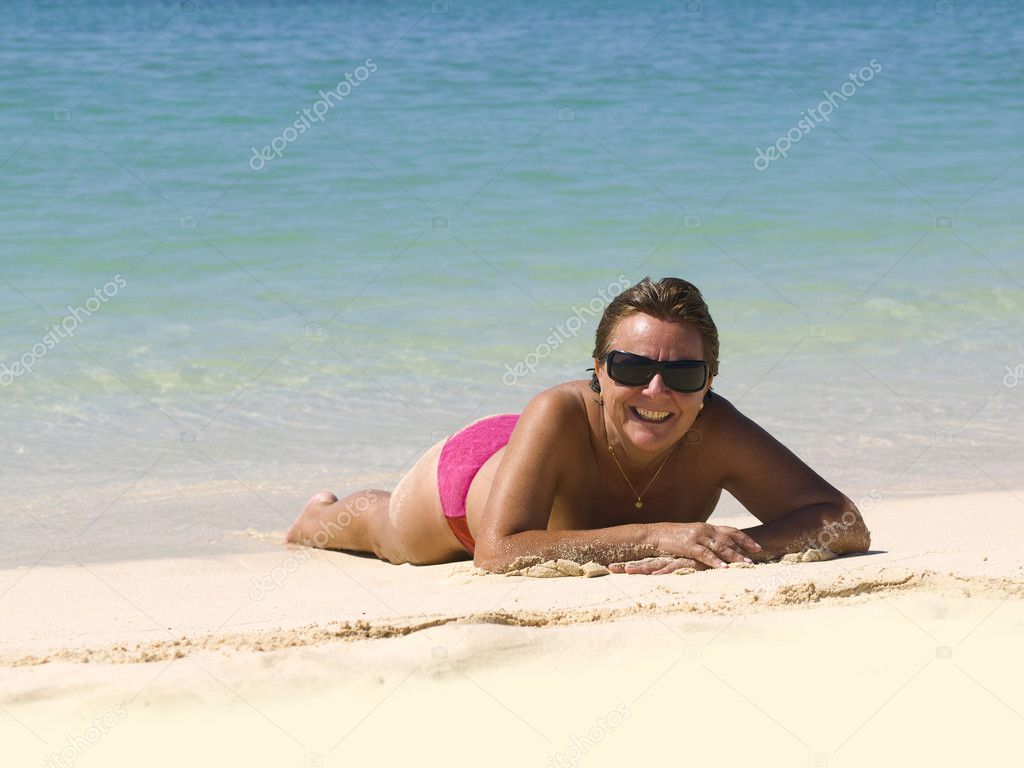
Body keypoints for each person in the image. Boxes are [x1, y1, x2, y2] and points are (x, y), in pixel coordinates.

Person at [286, 277, 870, 574]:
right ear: (598, 371)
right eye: (631, 367)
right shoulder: (559, 409)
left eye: (683, 373)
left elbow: (843, 523)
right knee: (387, 535)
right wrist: (662, 535)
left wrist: (731, 550)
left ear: (709, 383)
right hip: (469, 489)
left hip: (542, 461)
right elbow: (497, 552)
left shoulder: (716, 429)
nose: (656, 391)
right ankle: (318, 514)